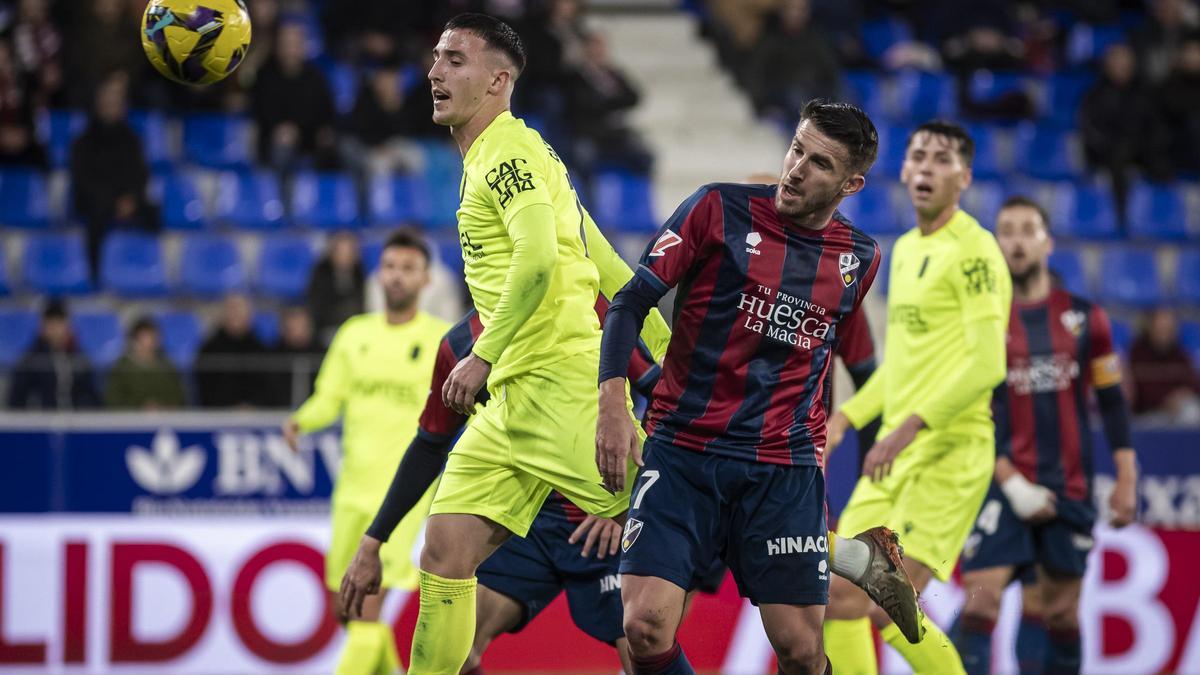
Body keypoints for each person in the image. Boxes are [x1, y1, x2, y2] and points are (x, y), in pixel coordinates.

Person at [597, 100, 922, 674]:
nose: (796, 168)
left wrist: (817, 454)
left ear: (852, 183)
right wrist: (613, 406)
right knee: (644, 626)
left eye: (819, 163)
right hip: (683, 448)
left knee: (799, 649)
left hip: (779, 466)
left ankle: (854, 556)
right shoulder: (715, 208)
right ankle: (853, 557)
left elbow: (820, 360)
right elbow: (629, 302)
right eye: (797, 149)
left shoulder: (859, 258)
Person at [403, 14, 675, 672]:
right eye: (436, 57)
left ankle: (838, 553)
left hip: (559, 387)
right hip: (511, 409)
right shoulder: (522, 154)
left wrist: (482, 352)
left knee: (702, 527)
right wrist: (669, 351)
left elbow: (535, 263)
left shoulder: (508, 155)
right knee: (444, 552)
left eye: (455, 61)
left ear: (498, 80)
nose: (436, 72)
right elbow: (604, 260)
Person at [339, 290, 671, 673]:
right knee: (459, 649)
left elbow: (661, 391)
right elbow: (429, 445)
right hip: (526, 524)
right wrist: (373, 541)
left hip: (596, 522)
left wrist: (620, 502)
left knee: (643, 646)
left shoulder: (587, 308)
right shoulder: (460, 348)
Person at [824, 120, 1013, 675]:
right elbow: (903, 366)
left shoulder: (976, 252)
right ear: (903, 171)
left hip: (950, 453)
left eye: (941, 159)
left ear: (964, 176)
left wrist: (904, 428)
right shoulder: (904, 250)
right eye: (919, 157)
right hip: (896, 453)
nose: (927, 168)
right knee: (838, 593)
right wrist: (846, 418)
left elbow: (987, 363)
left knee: (875, 599)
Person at [950, 197, 1139, 674]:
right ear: (996, 245)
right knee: (979, 601)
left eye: (1027, 229)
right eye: (1006, 230)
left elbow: (1112, 400)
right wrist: (1010, 478)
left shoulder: (1084, 318)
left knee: (1054, 612)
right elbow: (970, 410)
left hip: (1067, 486)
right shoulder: (982, 321)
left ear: (1047, 242)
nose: (1016, 239)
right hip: (997, 483)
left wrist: (1126, 477)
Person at [281, 230, 449, 675]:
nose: (397, 277)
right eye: (391, 267)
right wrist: (302, 420)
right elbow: (327, 397)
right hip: (351, 492)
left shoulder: (440, 342)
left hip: (402, 499)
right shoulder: (354, 335)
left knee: (368, 610)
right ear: (379, 274)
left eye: (408, 269)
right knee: (347, 610)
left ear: (426, 280)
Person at [70, 70, 156, 273]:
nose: (111, 106)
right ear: (97, 104)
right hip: (96, 202)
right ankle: (95, 274)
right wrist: (112, 202)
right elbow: (82, 180)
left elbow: (140, 174)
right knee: (96, 218)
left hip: (127, 199)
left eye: (115, 102)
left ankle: (146, 270)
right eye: (107, 101)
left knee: (154, 213)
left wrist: (131, 199)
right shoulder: (83, 141)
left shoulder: (132, 139)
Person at [251, 19, 337, 174]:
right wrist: (279, 129)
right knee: (281, 146)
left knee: (334, 146)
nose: (290, 50)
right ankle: (277, 196)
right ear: (277, 47)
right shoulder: (265, 76)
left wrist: (323, 131)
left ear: (303, 46)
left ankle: (323, 196)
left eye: (294, 44)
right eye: (285, 44)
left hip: (310, 137)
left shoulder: (317, 77)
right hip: (274, 139)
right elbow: (261, 113)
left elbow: (327, 113)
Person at [7, 299, 99, 410]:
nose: (55, 329)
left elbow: (92, 397)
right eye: (51, 323)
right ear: (42, 326)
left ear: (68, 325)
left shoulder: (80, 358)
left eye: (59, 322)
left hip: (75, 422)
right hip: (40, 421)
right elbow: (17, 399)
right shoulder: (31, 360)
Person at [195, 294, 269, 408]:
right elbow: (205, 387)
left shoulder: (260, 349)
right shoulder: (209, 349)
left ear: (249, 316)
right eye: (231, 310)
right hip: (217, 415)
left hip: (255, 415)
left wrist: (252, 405)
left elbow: (266, 387)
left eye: (239, 311)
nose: (235, 315)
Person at [1129, 307, 1200, 425]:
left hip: (1176, 413)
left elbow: (1194, 383)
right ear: (1151, 327)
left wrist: (1183, 394)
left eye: (1168, 328)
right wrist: (1166, 401)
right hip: (1148, 414)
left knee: (1192, 410)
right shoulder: (1138, 353)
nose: (1164, 332)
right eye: (1160, 328)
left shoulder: (1179, 353)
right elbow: (1139, 392)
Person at [104, 316, 187, 410]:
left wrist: (167, 407)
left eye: (154, 336)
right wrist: (140, 408)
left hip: (168, 419)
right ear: (134, 341)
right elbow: (114, 401)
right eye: (146, 337)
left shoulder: (168, 365)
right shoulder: (122, 367)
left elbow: (181, 397)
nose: (151, 342)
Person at [307, 231, 366, 345]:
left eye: (350, 252)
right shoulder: (320, 273)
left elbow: (362, 306)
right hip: (327, 330)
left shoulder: (360, 273)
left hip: (355, 329)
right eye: (341, 252)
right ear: (332, 253)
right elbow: (318, 310)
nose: (345, 257)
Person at [266, 306, 323, 408]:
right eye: (293, 326)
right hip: (278, 414)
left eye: (302, 326)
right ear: (284, 328)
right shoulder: (274, 357)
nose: (298, 331)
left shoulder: (321, 356)